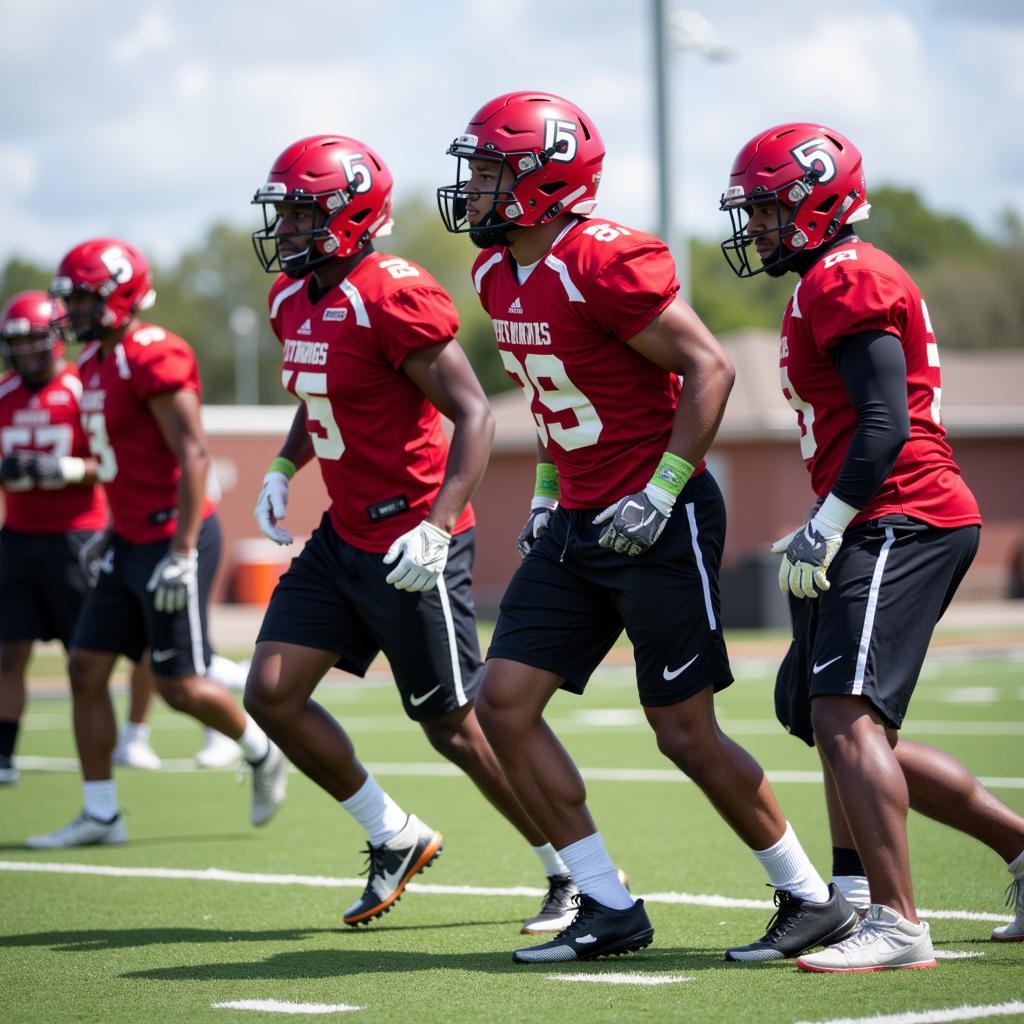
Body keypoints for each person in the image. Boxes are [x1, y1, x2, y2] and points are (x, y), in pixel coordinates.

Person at [436, 91, 856, 965]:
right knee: (502, 704)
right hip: (579, 519)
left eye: (488, 171)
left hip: (657, 519)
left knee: (683, 730)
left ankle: (809, 897)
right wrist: (549, 490)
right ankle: (606, 903)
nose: (471, 188)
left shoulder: (603, 258)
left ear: (543, 180)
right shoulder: (494, 272)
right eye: (473, 170)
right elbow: (558, 405)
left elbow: (707, 370)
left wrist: (662, 491)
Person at [245, 134, 592, 934]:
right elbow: (320, 388)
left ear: (349, 216)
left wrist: (438, 528)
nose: (287, 229)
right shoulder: (288, 298)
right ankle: (391, 833)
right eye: (285, 213)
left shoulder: (393, 292)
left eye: (302, 213)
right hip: (341, 537)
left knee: (457, 728)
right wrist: (282, 466)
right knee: (269, 693)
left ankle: (572, 870)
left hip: (412, 537)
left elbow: (474, 414)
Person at [719, 122, 1024, 969]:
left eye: (770, 212)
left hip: (903, 510)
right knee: (832, 721)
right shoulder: (825, 277)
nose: (757, 230)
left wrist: (829, 519)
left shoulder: (849, 274)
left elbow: (886, 423)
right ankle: (864, 893)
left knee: (844, 716)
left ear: (819, 203)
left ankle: (898, 923)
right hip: (874, 511)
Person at [25, 238, 286, 848]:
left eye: (85, 299)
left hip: (175, 533)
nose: (74, 312)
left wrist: (184, 550)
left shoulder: (153, 355)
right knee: (86, 667)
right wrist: (111, 527)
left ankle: (261, 748)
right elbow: (118, 462)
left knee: (180, 686)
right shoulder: (91, 364)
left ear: (118, 296)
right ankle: (100, 813)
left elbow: (193, 455)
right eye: (70, 299)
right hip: (128, 535)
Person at [0, 291, 107, 785]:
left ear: (55, 341)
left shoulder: (82, 388)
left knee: (82, 658)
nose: (23, 352)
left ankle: (103, 766)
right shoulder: (4, 395)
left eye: (31, 341)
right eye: (15, 343)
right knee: (7, 652)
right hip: (18, 536)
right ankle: (4, 757)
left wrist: (57, 468)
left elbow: (109, 462)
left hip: (76, 538)